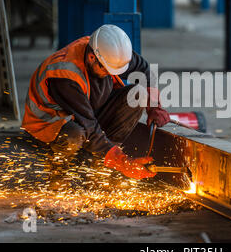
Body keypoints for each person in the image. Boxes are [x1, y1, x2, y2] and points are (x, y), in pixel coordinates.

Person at [22, 24, 170, 183]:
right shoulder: (65, 76)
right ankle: (59, 178)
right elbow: (89, 126)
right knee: (73, 135)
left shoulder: (109, 54)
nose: (111, 74)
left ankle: (97, 168)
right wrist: (123, 163)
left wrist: (155, 105)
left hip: (87, 111)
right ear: (92, 57)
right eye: (107, 70)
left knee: (138, 95)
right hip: (51, 124)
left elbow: (143, 69)